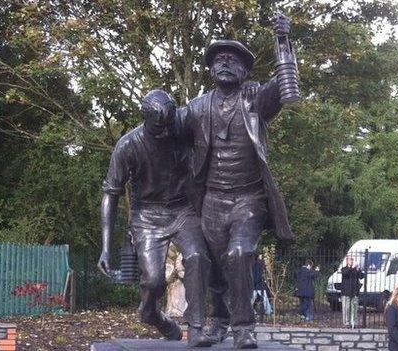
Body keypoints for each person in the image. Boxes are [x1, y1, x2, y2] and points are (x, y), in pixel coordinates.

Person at [174, 14, 296, 349]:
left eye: (233, 60)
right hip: (211, 199)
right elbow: (166, 133)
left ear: (244, 70)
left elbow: (287, 88)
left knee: (240, 253)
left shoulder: (255, 99)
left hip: (248, 198)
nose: (225, 63)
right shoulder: (197, 108)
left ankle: (243, 327)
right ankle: (220, 320)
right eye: (219, 59)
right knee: (214, 267)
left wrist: (283, 42)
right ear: (211, 69)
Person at [97, 90, 212, 347]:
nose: (165, 132)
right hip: (146, 215)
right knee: (153, 281)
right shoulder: (127, 145)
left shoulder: (181, 130)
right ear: (146, 119)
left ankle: (196, 328)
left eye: (169, 125)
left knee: (197, 257)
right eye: (159, 127)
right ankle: (150, 313)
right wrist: (105, 248)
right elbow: (110, 194)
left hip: (182, 209)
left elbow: (210, 109)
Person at [340, 255, 364, 328]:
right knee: (346, 309)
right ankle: (346, 323)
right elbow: (345, 273)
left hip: (354, 292)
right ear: (347, 261)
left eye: (353, 260)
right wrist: (352, 267)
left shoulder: (355, 269)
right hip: (346, 292)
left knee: (354, 308)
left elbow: (362, 276)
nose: (352, 261)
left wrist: (358, 269)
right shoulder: (344, 269)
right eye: (351, 260)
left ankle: (354, 323)